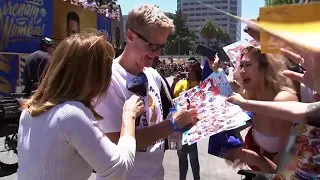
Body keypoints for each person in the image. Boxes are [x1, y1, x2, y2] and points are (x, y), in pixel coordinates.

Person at [18, 32, 144, 180]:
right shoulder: (71, 114)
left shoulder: (31, 109)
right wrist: (129, 116)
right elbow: (118, 170)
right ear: (96, 76)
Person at [94, 5, 198, 180]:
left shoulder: (153, 75)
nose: (157, 54)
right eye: (152, 46)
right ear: (131, 36)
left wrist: (185, 122)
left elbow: (158, 122)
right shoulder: (107, 79)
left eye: (161, 47)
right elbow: (114, 142)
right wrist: (172, 124)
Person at [209, 46, 298, 173]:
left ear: (265, 68)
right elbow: (228, 93)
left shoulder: (283, 100)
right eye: (241, 65)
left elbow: (290, 169)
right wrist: (216, 69)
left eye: (248, 65)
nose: (242, 71)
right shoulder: (253, 95)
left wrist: (256, 160)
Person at [173, 57, 202, 180]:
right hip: (181, 125)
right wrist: (175, 81)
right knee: (182, 156)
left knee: (194, 157)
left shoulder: (201, 84)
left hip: (194, 125)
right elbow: (172, 97)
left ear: (195, 71)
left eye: (189, 69)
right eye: (186, 70)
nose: (187, 72)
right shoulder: (181, 83)